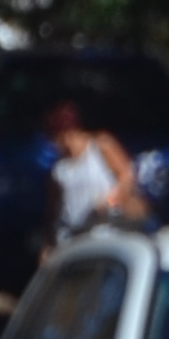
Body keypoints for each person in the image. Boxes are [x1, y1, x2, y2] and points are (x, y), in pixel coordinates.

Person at [45, 102, 145, 242]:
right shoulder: (59, 168)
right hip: (71, 236)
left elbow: (127, 175)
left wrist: (111, 201)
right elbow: (54, 206)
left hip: (105, 230)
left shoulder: (100, 145)